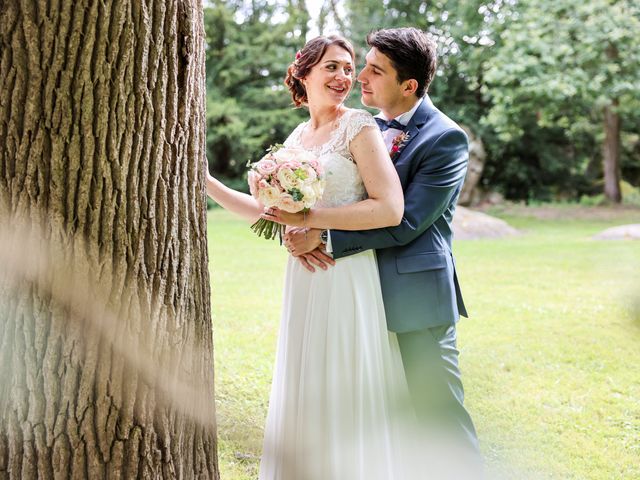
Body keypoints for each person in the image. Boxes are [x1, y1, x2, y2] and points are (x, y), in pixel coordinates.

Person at [205, 35, 412, 479]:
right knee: (306, 381)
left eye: (347, 67)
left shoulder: (359, 126)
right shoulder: (298, 137)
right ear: (303, 74)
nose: (343, 77)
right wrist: (206, 182)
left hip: (345, 275)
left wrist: (312, 218)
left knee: (341, 381)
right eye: (331, 68)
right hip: (303, 280)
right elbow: (269, 212)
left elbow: (389, 207)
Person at [284, 27, 481, 459]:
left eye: (374, 70)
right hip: (359, 296)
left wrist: (324, 234)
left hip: (413, 298)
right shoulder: (363, 127)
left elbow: (407, 220)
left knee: (437, 412)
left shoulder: (445, 139)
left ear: (408, 85)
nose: (359, 78)